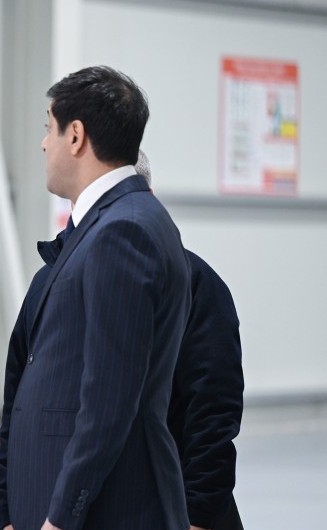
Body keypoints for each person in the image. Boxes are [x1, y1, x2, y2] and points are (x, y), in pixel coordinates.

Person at [0, 66, 191, 530]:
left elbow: (109, 400)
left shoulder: (123, 231)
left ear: (76, 136)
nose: (44, 143)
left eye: (49, 127)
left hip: (105, 512)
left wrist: (62, 517)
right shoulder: (111, 224)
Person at [136, 152, 245, 530]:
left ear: (148, 199)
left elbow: (213, 413)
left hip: (180, 508)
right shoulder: (60, 283)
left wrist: (197, 516)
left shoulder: (197, 286)